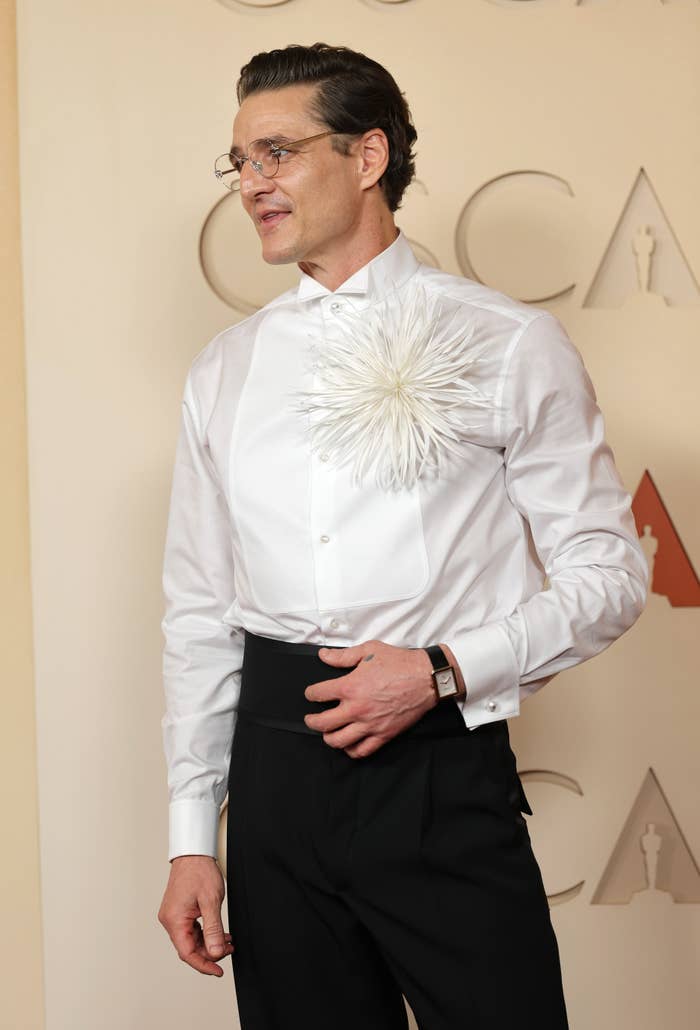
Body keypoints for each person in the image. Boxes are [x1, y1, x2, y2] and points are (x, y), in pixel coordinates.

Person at [157, 42, 649, 1030]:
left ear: (368, 156)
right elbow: (201, 611)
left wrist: (441, 671)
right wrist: (191, 836)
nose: (251, 184)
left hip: (439, 775)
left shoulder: (509, 342)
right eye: (240, 161)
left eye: (277, 153)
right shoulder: (224, 369)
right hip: (273, 786)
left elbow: (609, 574)